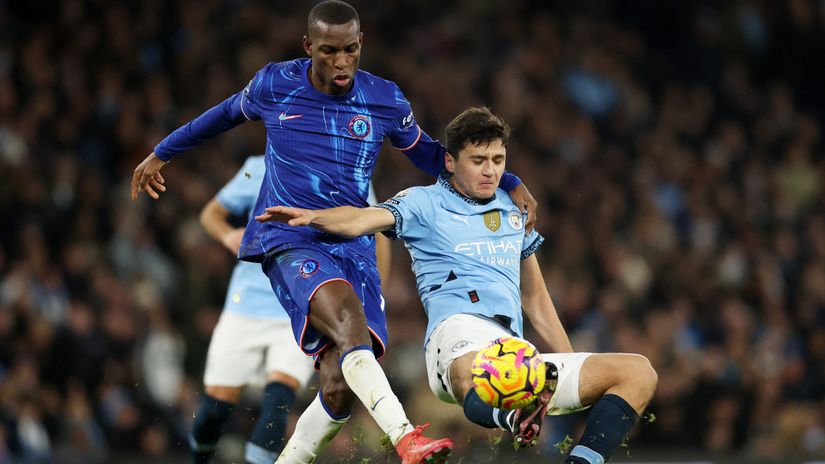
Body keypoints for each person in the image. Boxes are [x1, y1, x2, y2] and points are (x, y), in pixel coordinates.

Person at [130, 2, 541, 462]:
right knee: (350, 328)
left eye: (351, 49)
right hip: (288, 237)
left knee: (338, 385)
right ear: (309, 46)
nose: (342, 61)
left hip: (354, 245)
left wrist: (507, 179)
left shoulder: (384, 99)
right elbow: (223, 115)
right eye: (329, 51)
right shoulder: (275, 84)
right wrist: (162, 151)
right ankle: (406, 437)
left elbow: (430, 157)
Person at [257, 106, 659, 464]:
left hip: (516, 353)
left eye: (498, 160)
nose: (490, 170)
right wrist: (312, 216)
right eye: (478, 160)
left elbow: (535, 298)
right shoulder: (421, 203)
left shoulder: (514, 210)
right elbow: (361, 220)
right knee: (475, 371)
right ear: (449, 161)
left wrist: (568, 365)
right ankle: (513, 417)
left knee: (638, 372)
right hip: (456, 335)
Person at [193, 155, 392, 464]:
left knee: (278, 402)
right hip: (246, 305)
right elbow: (211, 214)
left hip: (304, 307)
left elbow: (377, 233)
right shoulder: (258, 167)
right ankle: (199, 457)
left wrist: (375, 299)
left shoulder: (348, 167)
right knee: (215, 410)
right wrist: (227, 234)